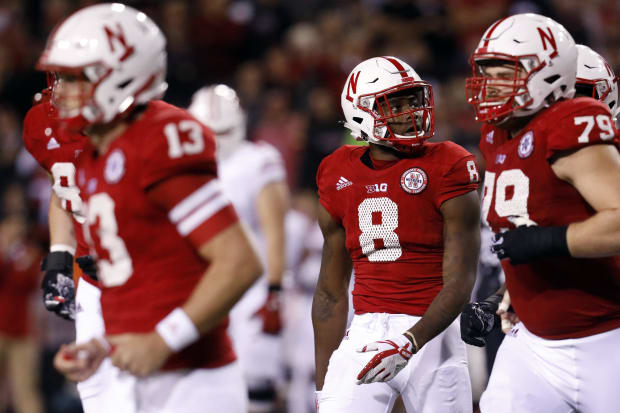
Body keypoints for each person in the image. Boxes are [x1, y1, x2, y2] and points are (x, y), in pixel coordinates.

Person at [37, 3, 262, 412]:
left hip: (193, 380)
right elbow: (145, 281)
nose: (61, 92)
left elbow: (239, 263)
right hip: (135, 375)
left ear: (121, 74)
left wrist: (164, 340)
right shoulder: (93, 153)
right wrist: (101, 347)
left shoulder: (162, 137)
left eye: (76, 78)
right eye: (60, 78)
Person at [462, 13, 620, 413]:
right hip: (533, 343)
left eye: (505, 73)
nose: (489, 85)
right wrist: (504, 292)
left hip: (605, 339)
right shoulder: (498, 135)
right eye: (487, 72)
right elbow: (540, 217)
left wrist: (545, 243)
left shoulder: (570, 126)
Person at [313, 56, 481, 413]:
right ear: (361, 113)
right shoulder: (336, 172)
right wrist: (323, 380)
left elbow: (461, 281)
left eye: (412, 100)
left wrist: (409, 343)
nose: (410, 112)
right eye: (396, 104)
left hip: (434, 331)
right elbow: (330, 293)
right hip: (366, 330)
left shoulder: (449, 164)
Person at [188, 84, 289, 412]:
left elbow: (275, 232)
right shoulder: (180, 166)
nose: (216, 139)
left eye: (223, 130)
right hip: (197, 287)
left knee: (254, 386)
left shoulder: (257, 160)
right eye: (209, 131)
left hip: (250, 289)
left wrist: (274, 290)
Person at [22, 86, 108, 413]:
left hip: (147, 279)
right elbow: (64, 187)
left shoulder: (145, 127)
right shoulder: (45, 125)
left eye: (76, 76)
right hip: (94, 281)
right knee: (96, 393)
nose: (62, 88)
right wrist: (60, 254)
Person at [0, 213, 44, 413]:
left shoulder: (31, 254)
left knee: (25, 390)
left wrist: (14, 258)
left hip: (23, 332)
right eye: (9, 228)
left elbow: (30, 280)